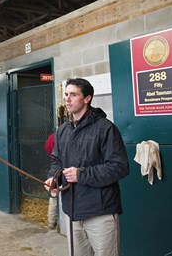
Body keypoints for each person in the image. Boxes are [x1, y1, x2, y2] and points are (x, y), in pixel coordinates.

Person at [44, 78, 129, 256]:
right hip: (73, 212)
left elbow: (119, 167)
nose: (67, 99)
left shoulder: (105, 128)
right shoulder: (62, 131)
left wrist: (82, 174)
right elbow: (56, 160)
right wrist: (54, 177)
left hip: (101, 214)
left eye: (73, 95)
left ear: (87, 98)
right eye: (66, 94)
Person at [44, 132, 57, 229]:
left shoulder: (52, 136)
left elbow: (47, 148)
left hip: (54, 166)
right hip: (64, 169)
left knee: (53, 197)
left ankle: (51, 221)